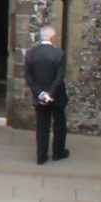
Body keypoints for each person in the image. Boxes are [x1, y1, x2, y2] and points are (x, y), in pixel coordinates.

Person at [25, 26, 68, 165]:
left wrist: (40, 93)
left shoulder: (31, 54)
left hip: (40, 96)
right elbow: (59, 78)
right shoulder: (59, 54)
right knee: (59, 124)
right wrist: (50, 93)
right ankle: (58, 152)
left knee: (42, 125)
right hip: (57, 95)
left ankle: (41, 156)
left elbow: (28, 76)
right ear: (52, 38)